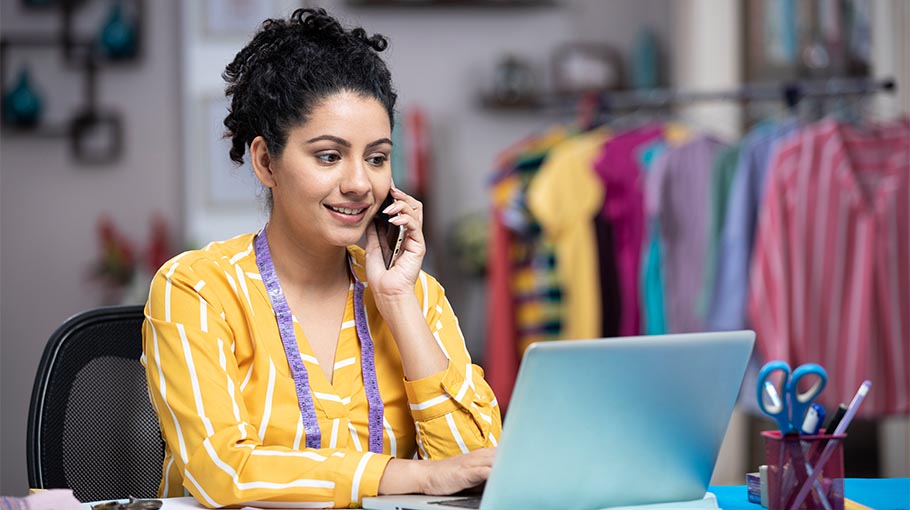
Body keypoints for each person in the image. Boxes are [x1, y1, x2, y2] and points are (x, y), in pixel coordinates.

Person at [142, 8, 501, 509]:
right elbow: (220, 470)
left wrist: (397, 302)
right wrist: (408, 476)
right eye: (329, 156)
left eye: (376, 157)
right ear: (267, 161)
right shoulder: (197, 289)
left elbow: (474, 469)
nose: (359, 183)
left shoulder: (417, 295)